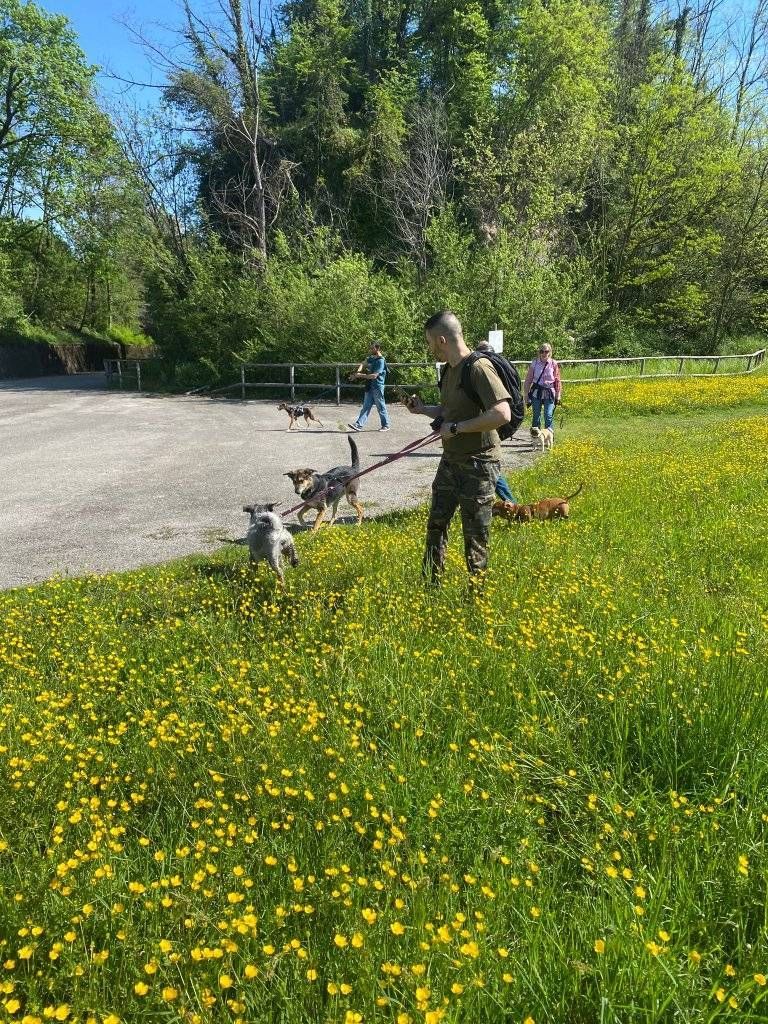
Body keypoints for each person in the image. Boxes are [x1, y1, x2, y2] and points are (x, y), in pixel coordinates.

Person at [405, 311, 511, 582]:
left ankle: (476, 597)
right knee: (436, 525)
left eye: (430, 343)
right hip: (451, 461)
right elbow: (451, 411)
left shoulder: (478, 368)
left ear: (441, 339)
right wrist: (423, 410)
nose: (430, 349)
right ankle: (431, 584)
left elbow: (502, 414)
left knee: (475, 535)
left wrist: (455, 429)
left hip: (479, 464)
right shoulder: (451, 371)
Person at [474, 340, 517, 504]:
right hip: (497, 422)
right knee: (485, 465)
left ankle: (511, 504)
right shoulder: (501, 366)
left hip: (488, 423)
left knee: (489, 464)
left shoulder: (485, 369)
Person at [348, 342, 390, 432]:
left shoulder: (380, 361)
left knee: (380, 407)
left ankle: (386, 425)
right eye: (370, 348)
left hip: (377, 386)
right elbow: (363, 363)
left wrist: (360, 375)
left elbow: (374, 376)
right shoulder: (372, 358)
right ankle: (358, 425)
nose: (370, 350)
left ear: (377, 349)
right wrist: (357, 373)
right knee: (366, 406)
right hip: (369, 386)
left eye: (372, 348)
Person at [524, 342, 561, 434]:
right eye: (542, 351)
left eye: (546, 351)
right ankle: (535, 438)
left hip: (550, 392)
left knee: (548, 415)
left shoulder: (553, 363)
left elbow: (557, 380)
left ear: (550, 352)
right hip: (537, 391)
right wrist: (526, 395)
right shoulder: (534, 363)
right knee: (536, 415)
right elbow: (528, 380)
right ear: (539, 352)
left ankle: (549, 437)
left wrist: (558, 395)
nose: (544, 353)